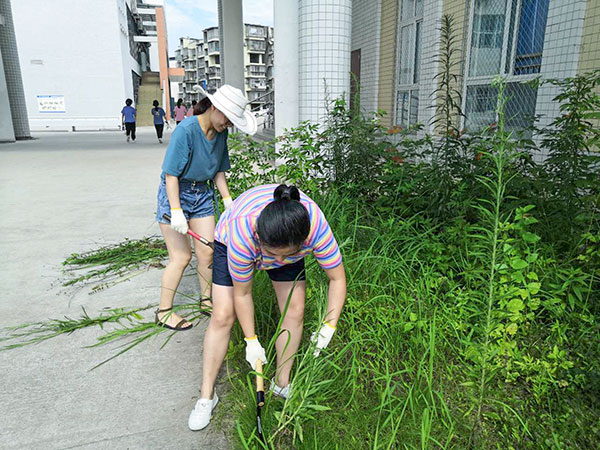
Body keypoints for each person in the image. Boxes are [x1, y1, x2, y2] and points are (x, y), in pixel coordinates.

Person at [188, 184, 347, 431]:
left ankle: (281, 383)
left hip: (283, 239)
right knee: (222, 315)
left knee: (294, 311)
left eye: (286, 256)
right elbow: (243, 293)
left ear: (303, 241)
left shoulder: (314, 227)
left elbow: (337, 278)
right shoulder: (243, 232)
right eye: (273, 255)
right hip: (233, 237)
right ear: (261, 239)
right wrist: (251, 340)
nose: (278, 263)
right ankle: (207, 395)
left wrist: (329, 326)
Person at [155, 85, 258, 333]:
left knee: (208, 253)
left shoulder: (220, 133)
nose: (229, 125)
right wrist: (177, 211)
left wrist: (227, 200)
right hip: (176, 192)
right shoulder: (186, 131)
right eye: (228, 118)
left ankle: (206, 298)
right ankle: (163, 311)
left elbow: (219, 170)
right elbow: (170, 175)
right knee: (181, 257)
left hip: (202, 194)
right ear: (214, 107)